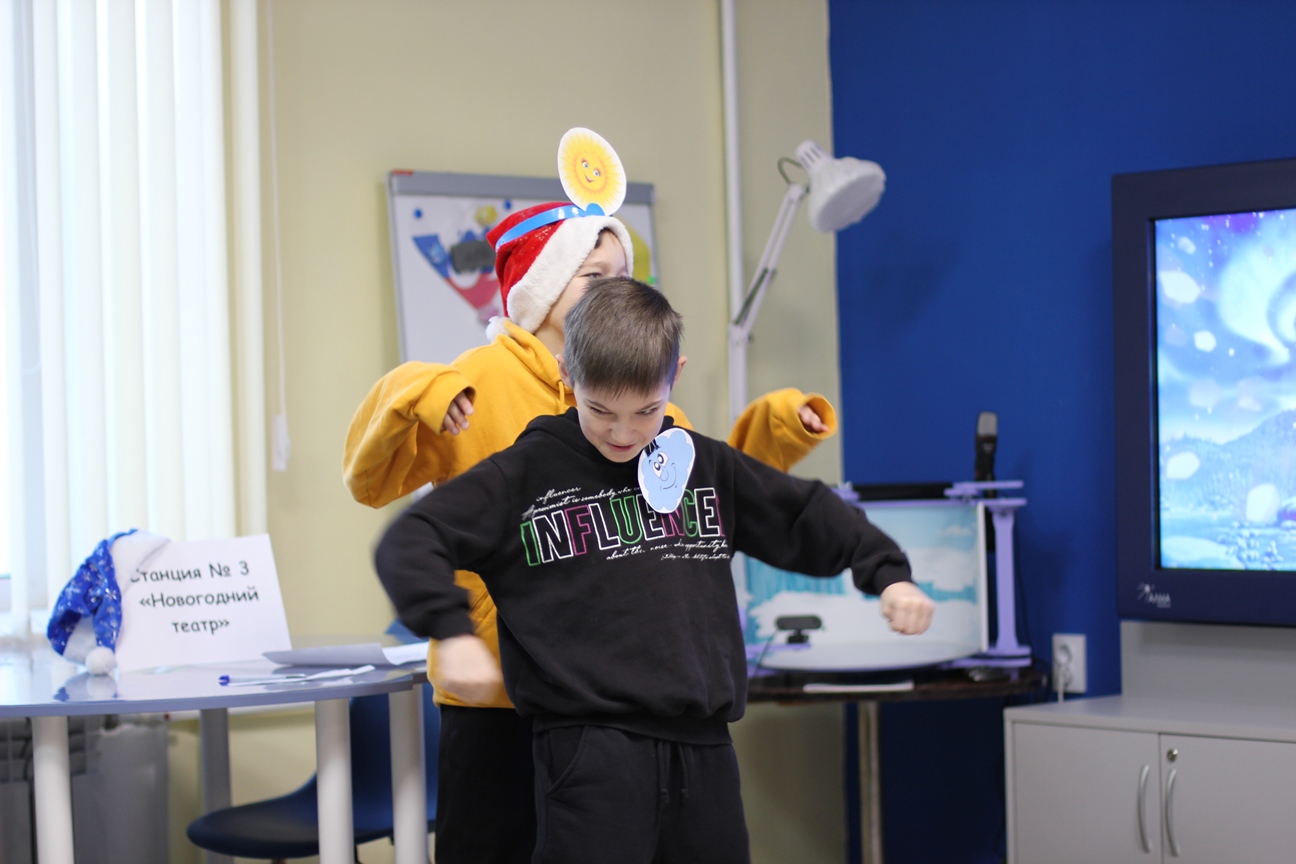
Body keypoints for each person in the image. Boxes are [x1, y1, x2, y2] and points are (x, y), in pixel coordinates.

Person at [374, 277, 934, 864]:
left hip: (705, 753)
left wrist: (888, 572)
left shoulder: (702, 464)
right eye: (600, 410)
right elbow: (412, 540)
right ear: (566, 374)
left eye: (646, 410)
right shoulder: (523, 475)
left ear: (675, 375)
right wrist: (451, 631)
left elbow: (803, 511)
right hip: (590, 754)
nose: (623, 433)